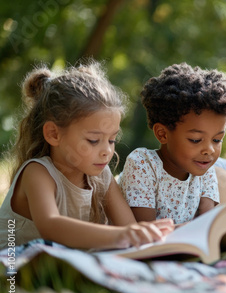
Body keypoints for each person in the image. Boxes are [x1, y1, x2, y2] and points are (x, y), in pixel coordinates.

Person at [0, 61, 174, 250]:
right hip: (12, 265)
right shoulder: (37, 173)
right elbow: (51, 227)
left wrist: (159, 232)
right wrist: (123, 235)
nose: (107, 151)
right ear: (53, 134)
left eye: (112, 140)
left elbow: (129, 228)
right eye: (93, 140)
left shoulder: (102, 175)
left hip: (64, 265)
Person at [119, 63, 226, 225]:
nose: (209, 150)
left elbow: (206, 223)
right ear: (162, 133)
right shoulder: (143, 164)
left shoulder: (205, 170)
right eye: (195, 140)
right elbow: (147, 232)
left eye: (217, 140)